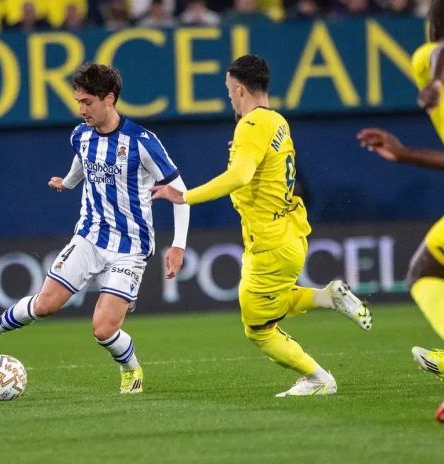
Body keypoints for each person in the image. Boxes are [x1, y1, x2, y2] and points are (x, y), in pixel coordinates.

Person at [0, 63, 190, 395]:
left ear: (109, 99)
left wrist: (178, 245)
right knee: (45, 305)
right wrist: (69, 182)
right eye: (78, 102)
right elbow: (81, 161)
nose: (81, 110)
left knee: (103, 330)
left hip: (130, 247)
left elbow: (181, 192)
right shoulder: (81, 135)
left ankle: (131, 369)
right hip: (89, 236)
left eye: (87, 102)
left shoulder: (141, 141)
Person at [151, 54, 372, 398]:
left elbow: (240, 175)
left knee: (258, 328)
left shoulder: (251, 124)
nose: (229, 97)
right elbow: (262, 167)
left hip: (269, 241)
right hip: (290, 234)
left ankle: (318, 379)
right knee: (268, 301)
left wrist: (185, 196)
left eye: (229, 90)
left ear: (240, 89)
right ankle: (327, 297)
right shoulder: (277, 121)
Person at [357, 0, 444, 423]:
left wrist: (435, 81)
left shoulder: (434, 55)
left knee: (424, 274)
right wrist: (403, 154)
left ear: (432, 27)